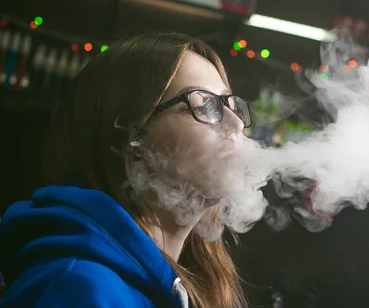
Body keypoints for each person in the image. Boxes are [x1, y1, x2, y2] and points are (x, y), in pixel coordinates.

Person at [0, 32, 253, 308]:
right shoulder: (79, 289)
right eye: (205, 105)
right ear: (130, 140)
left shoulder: (183, 284)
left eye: (229, 104)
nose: (237, 123)